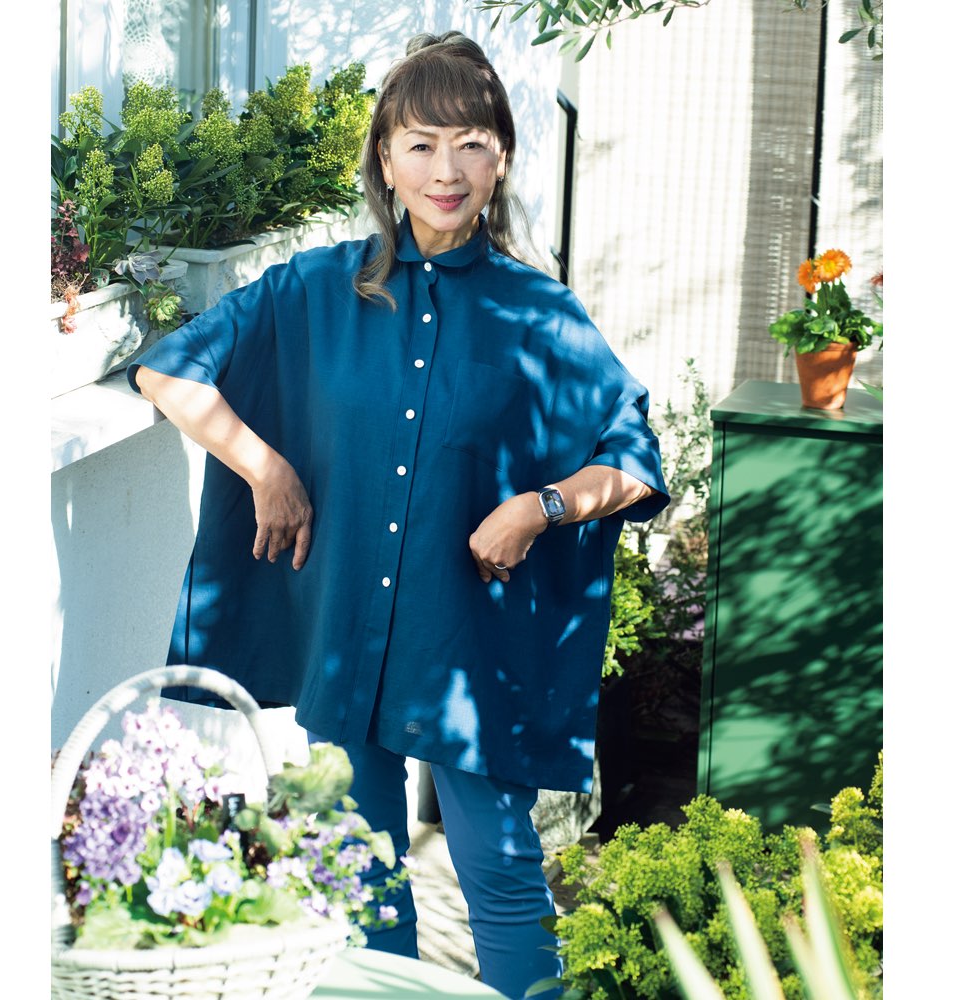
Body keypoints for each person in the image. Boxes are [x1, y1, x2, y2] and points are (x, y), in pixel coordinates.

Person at [129, 31, 669, 1000]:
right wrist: (265, 468)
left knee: (499, 874)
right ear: (385, 159)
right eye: (421, 144)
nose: (445, 171)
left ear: (500, 157)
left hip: (469, 646)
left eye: (469, 143)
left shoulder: (540, 315)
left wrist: (539, 507)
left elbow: (632, 460)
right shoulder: (315, 289)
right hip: (347, 636)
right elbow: (167, 372)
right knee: (363, 874)